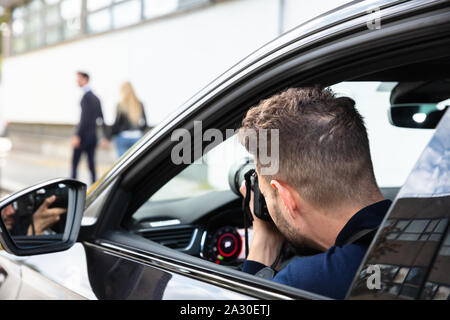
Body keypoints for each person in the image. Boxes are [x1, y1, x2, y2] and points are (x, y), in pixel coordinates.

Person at [238, 87, 391, 299]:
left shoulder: (306, 282)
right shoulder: (433, 228)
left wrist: (263, 242)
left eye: (266, 194)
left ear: (286, 198)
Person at [72, 71, 106, 184]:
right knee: (91, 163)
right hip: (93, 136)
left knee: (75, 163)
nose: (77, 80)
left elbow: (84, 119)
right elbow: (101, 118)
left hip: (83, 136)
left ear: (85, 79)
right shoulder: (96, 98)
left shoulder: (86, 97)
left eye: (79, 78)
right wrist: (105, 136)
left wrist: (77, 135)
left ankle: (72, 187)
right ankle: (94, 185)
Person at [102, 82, 147, 157]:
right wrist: (139, 131)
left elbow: (116, 124)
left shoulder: (120, 105)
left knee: (122, 162)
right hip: (137, 137)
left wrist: (108, 137)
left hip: (123, 137)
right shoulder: (139, 104)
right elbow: (145, 123)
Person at [1, 196, 66, 236]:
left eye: (12, 205)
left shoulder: (18, 223)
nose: (12, 212)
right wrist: (35, 230)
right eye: (3, 207)